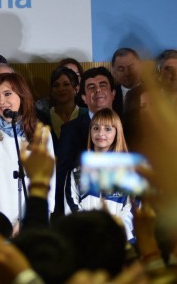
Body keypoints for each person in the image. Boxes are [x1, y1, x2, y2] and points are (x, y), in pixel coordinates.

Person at [0, 73, 56, 226]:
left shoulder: (41, 133)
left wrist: (29, 222)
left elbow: (47, 182)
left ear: (22, 96)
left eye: (7, 94)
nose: (1, 102)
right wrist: (1, 224)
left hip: (31, 224)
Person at [54, 67, 116, 218]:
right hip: (82, 213)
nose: (98, 91)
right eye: (91, 87)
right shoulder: (70, 130)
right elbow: (63, 176)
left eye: (103, 85)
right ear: (83, 97)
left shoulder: (128, 126)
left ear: (113, 93)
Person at [64, 108, 134, 241]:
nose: (100, 133)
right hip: (85, 241)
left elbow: (133, 208)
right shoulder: (77, 170)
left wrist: (115, 231)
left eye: (107, 129)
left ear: (117, 132)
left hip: (121, 241)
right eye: (96, 128)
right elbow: (71, 206)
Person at [42, 66, 86, 151]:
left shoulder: (86, 115)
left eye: (66, 84)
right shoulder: (44, 118)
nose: (61, 89)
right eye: (56, 85)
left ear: (76, 89)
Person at [111, 48, 142, 116]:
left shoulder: (153, 92)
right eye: (121, 69)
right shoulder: (110, 96)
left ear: (140, 66)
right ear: (114, 72)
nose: (127, 73)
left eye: (131, 67)